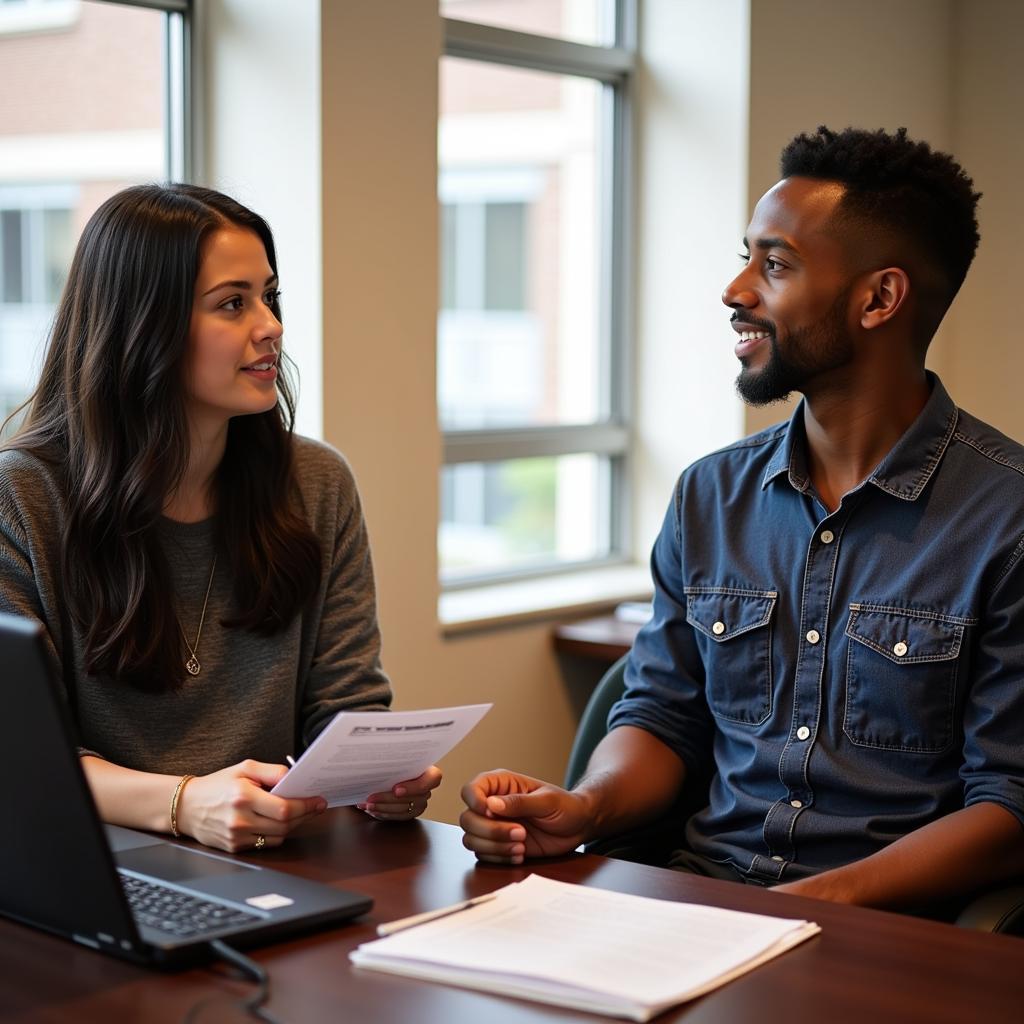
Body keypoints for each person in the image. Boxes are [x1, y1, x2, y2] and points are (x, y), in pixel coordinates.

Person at [460, 126, 1024, 911]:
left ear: (879, 299)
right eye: (747, 257)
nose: (737, 290)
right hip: (698, 903)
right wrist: (584, 808)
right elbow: (663, 714)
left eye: (776, 264)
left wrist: (811, 907)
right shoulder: (709, 497)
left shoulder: (1007, 518)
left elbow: (1010, 804)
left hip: (890, 935)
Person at [0, 184, 440, 853]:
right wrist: (182, 803)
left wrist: (377, 775)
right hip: (90, 863)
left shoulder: (317, 483)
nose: (271, 326)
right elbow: (22, 759)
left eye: (270, 296)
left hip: (276, 861)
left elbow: (344, 709)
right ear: (142, 324)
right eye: (233, 303)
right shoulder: (22, 498)